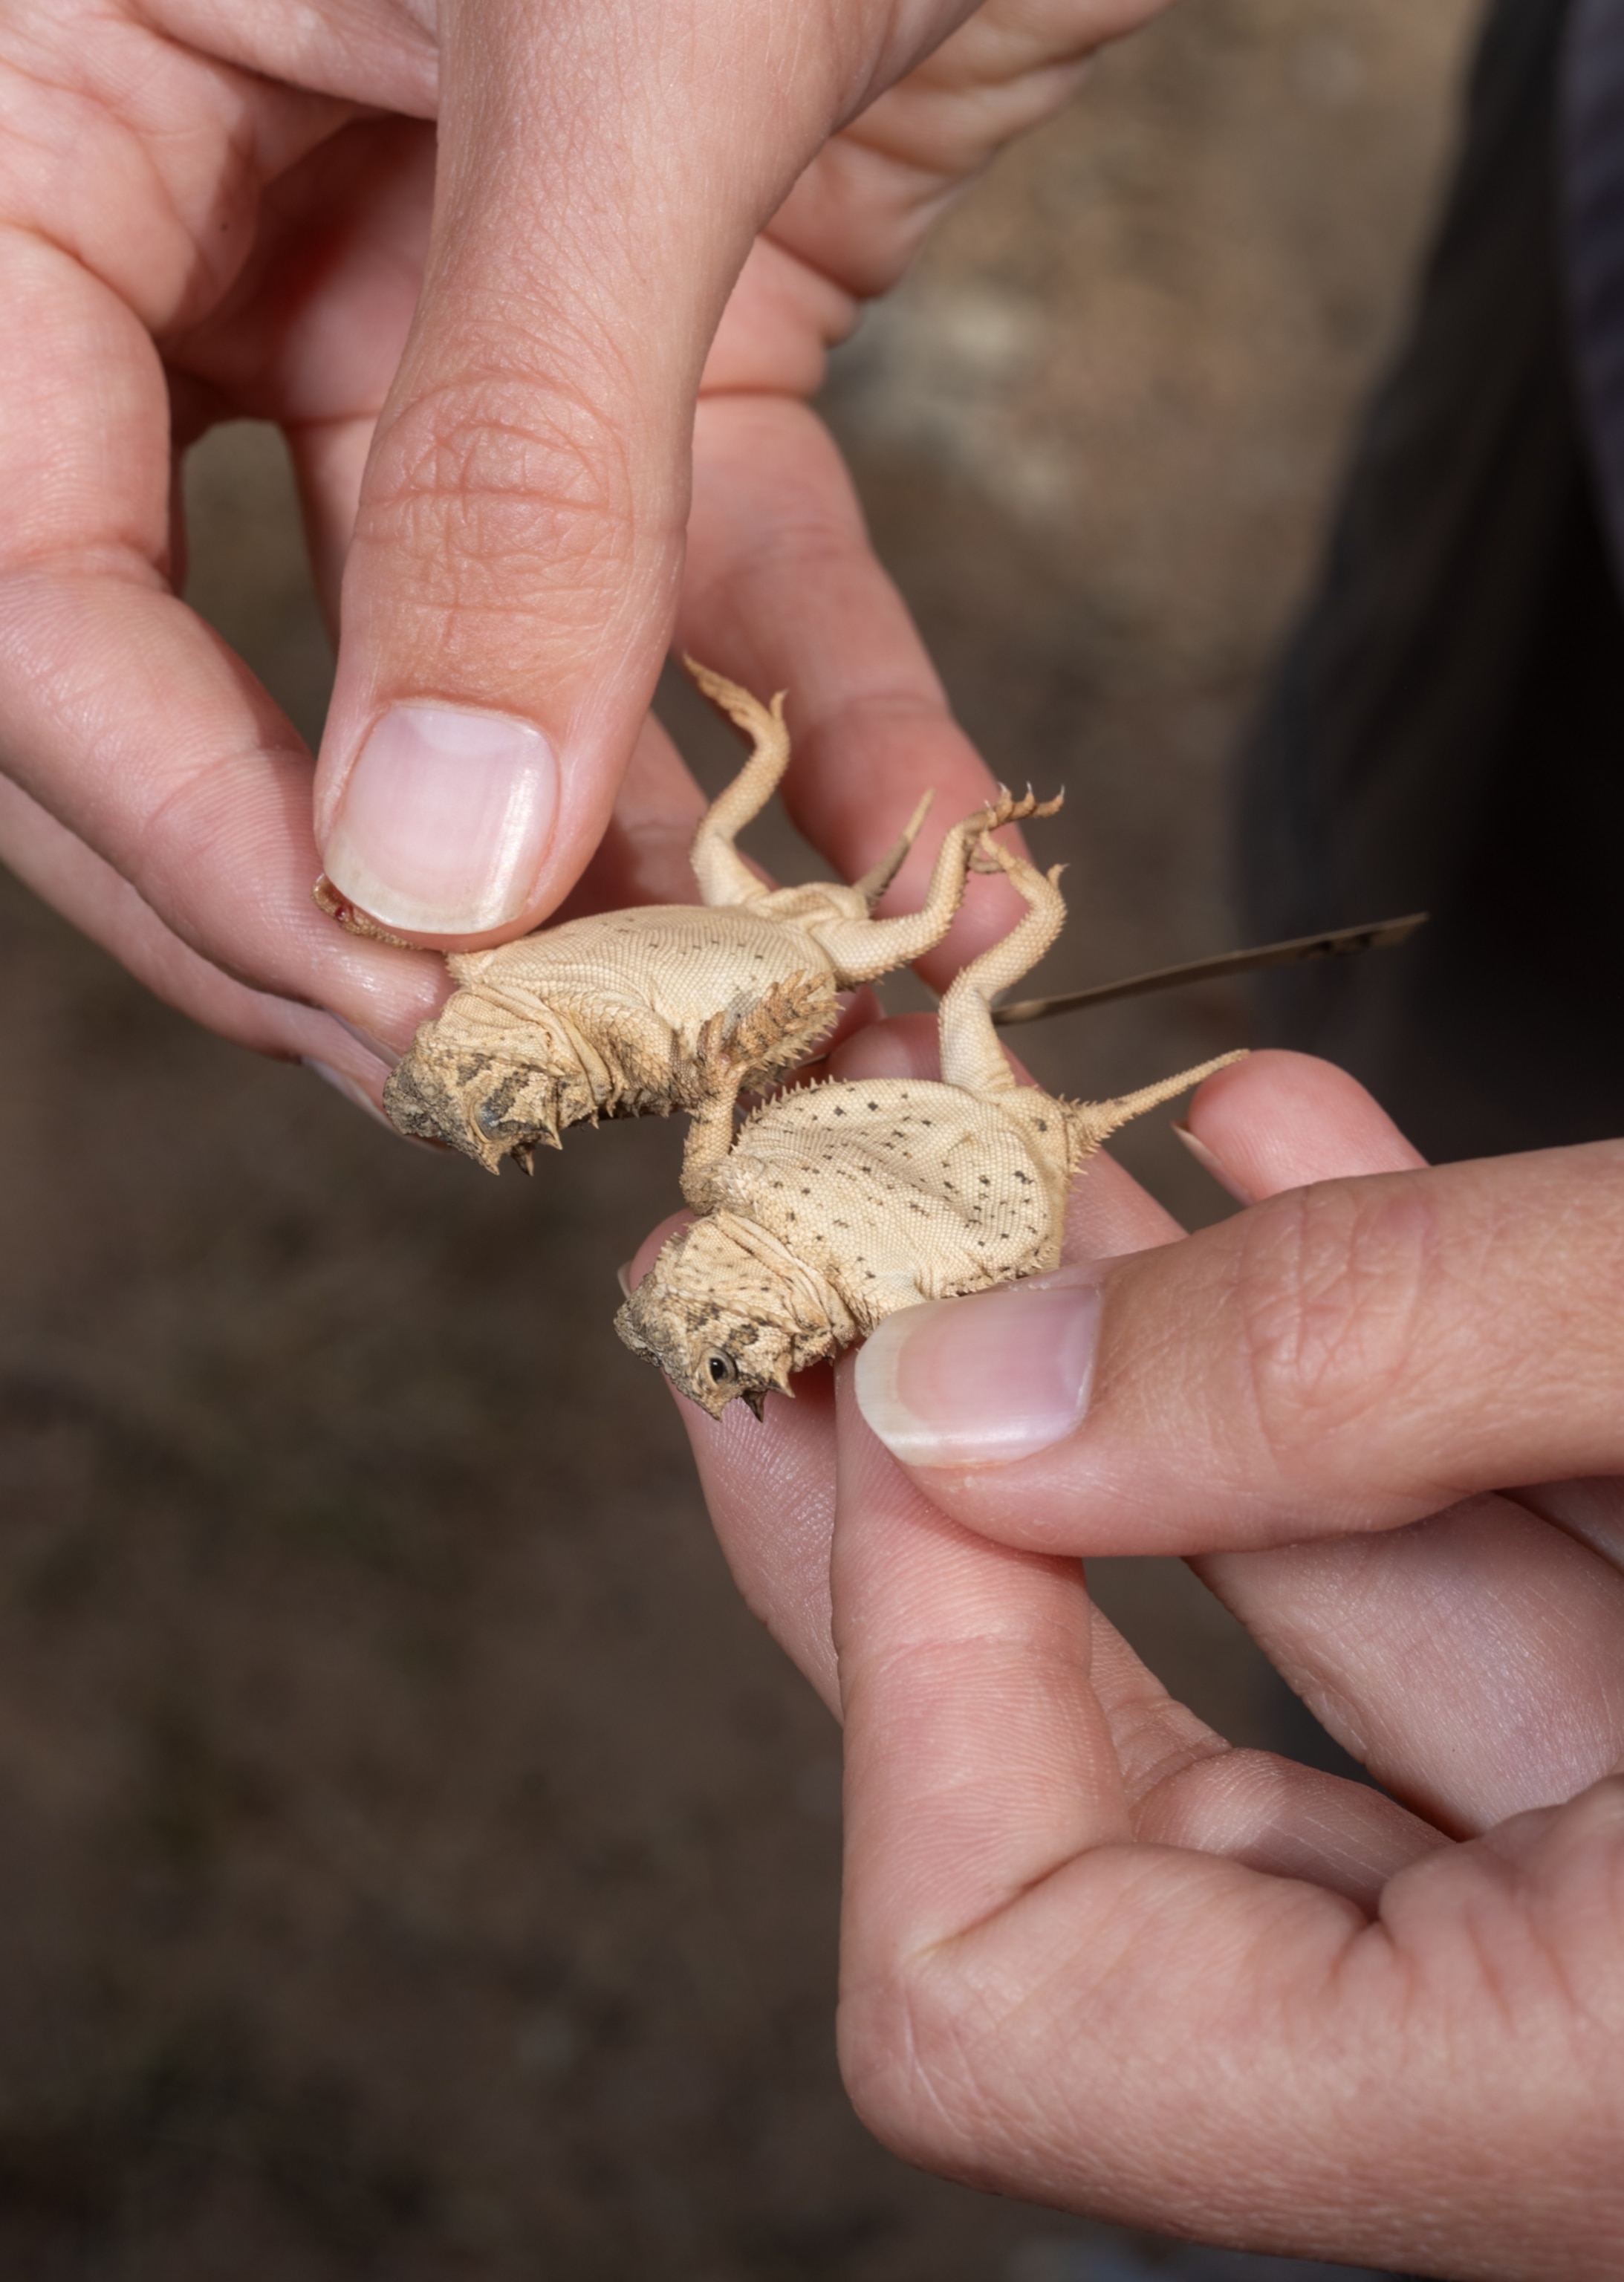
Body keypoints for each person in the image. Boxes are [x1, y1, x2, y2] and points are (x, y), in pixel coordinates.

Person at [1, 1, 1620, 2274]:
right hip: (1534, 391)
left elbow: (821, 1010)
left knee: (1367, 1329)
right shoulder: (805, 1029)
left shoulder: (820, 1053)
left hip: (868, 1138)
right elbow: (816, 1002)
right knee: (1409, 985)